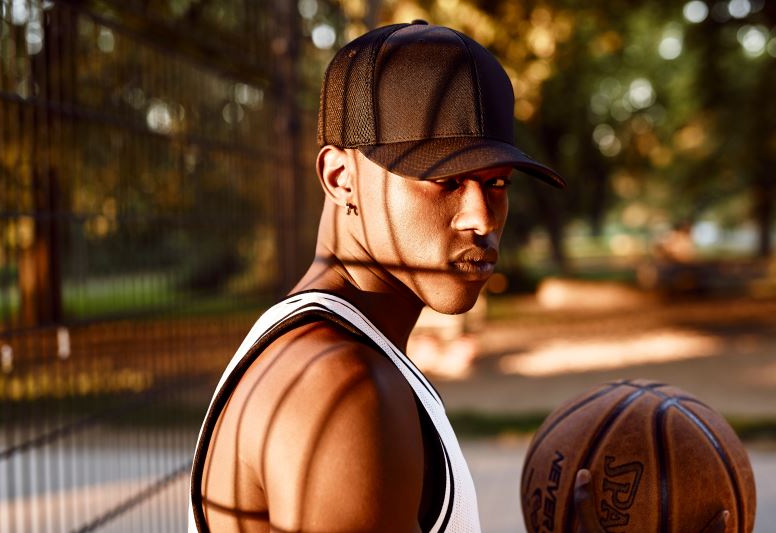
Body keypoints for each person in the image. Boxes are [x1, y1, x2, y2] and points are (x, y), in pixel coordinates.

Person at [187, 20, 699, 533]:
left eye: (496, 182)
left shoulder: (329, 350)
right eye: (445, 179)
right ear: (341, 178)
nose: (482, 217)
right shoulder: (341, 384)